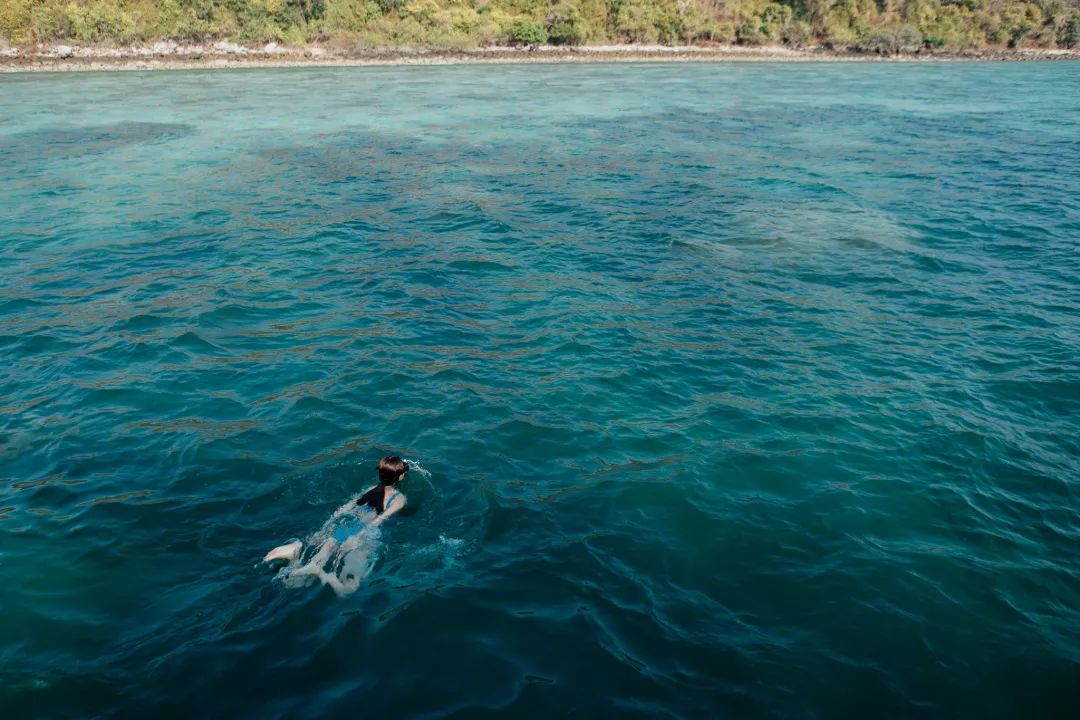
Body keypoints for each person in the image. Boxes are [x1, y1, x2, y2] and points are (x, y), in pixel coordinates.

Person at [264, 456, 409, 594]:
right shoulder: (399, 499)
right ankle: (323, 575)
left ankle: (296, 554)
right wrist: (358, 538)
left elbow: (348, 506)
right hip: (364, 533)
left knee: (302, 577)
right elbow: (379, 520)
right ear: (400, 476)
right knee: (349, 588)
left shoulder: (370, 489)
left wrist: (328, 525)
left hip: (347, 525)